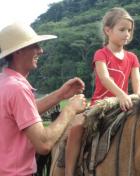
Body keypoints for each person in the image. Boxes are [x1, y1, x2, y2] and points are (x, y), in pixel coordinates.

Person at [64, 7, 140, 175]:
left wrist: (139, 96)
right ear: (108, 30)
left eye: (129, 30)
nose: (127, 34)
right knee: (77, 126)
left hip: (124, 104)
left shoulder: (132, 57)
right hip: (100, 104)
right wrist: (121, 94)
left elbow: (137, 83)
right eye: (122, 30)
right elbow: (105, 78)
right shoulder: (101, 54)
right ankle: (70, 171)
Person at [0, 22, 87, 176]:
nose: (40, 51)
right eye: (34, 46)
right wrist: (70, 109)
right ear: (18, 51)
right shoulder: (18, 89)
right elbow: (44, 144)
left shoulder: (5, 82)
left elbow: (22, 114)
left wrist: (60, 94)